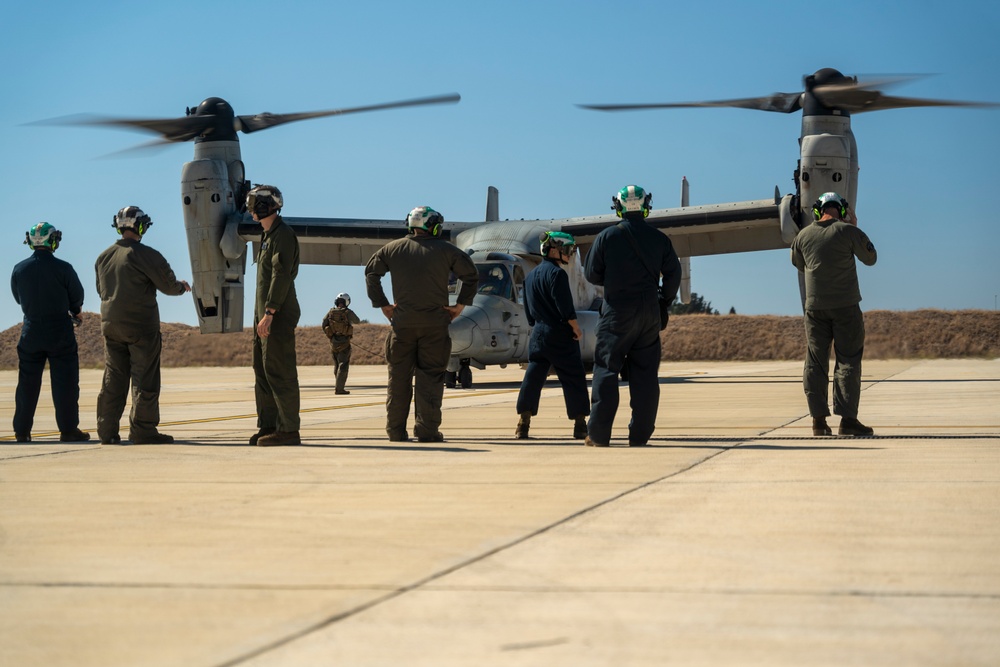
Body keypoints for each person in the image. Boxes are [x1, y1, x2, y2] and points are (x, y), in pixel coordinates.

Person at [364, 206, 478, 442]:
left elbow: (371, 273)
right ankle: (427, 431)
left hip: (401, 325)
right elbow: (471, 276)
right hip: (435, 326)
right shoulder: (448, 251)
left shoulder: (392, 249)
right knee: (430, 379)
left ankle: (395, 431)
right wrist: (459, 306)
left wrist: (383, 305)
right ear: (434, 226)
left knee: (398, 379)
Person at [583, 185, 681, 447]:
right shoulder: (660, 239)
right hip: (649, 313)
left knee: (606, 369)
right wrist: (663, 301)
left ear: (619, 206)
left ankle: (599, 435)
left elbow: (591, 274)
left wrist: (615, 278)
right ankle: (640, 435)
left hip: (616, 312)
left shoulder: (606, 237)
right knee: (646, 376)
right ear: (646, 205)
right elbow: (674, 275)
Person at [95, 206, 191, 445]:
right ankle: (142, 430)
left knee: (113, 378)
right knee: (144, 379)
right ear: (140, 227)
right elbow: (168, 287)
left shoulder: (103, 256)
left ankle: (106, 431)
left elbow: (101, 290)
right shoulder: (147, 255)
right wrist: (181, 286)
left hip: (111, 325)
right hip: (140, 327)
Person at [790, 192, 878, 436]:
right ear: (843, 210)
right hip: (846, 307)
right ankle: (848, 421)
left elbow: (798, 263)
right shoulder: (848, 231)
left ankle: (818, 421)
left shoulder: (803, 236)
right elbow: (870, 258)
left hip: (815, 309)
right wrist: (855, 228)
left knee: (815, 361)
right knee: (848, 360)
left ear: (818, 210)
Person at [11, 223, 89, 443]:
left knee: (27, 384)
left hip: (31, 331)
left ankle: (22, 432)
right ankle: (68, 430)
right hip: (59, 331)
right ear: (52, 241)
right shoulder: (64, 268)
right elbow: (77, 297)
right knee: (65, 382)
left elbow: (18, 298)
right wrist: (76, 312)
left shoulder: (19, 269)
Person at [515, 231, 589, 440]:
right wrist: (575, 328)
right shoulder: (557, 275)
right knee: (573, 377)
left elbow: (529, 314)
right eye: (567, 250)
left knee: (533, 377)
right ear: (554, 250)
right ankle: (580, 424)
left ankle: (524, 422)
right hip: (560, 334)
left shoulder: (530, 277)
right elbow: (565, 307)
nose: (569, 254)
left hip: (538, 334)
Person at [246, 185, 302, 447]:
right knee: (263, 371)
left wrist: (269, 312)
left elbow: (281, 276)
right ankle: (269, 425)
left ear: (265, 206)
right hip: (263, 315)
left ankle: (288, 429)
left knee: (279, 371)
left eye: (254, 203)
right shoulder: (267, 236)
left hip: (275, 315)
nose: (250, 208)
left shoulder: (283, 235)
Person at [321, 292, 362, 394]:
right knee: (343, 365)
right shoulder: (348, 312)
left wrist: (330, 335)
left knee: (336, 365)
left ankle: (338, 385)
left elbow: (324, 323)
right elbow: (357, 321)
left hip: (333, 342)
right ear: (347, 302)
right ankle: (339, 389)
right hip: (344, 342)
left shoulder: (330, 312)